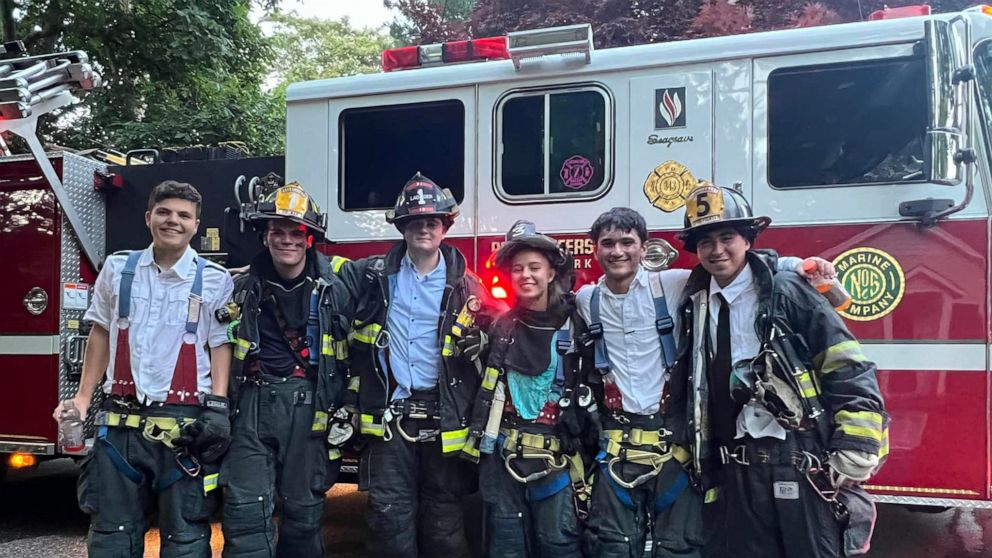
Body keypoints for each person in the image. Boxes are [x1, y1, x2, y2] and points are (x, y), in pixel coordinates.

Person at [572, 206, 833, 558]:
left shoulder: (673, 284)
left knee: (678, 547)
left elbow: (741, 270)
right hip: (617, 446)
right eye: (607, 243)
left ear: (643, 247)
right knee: (612, 547)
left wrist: (795, 266)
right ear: (595, 249)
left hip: (673, 445)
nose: (617, 251)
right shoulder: (587, 300)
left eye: (626, 242)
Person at [672, 182, 888, 558]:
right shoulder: (697, 302)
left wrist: (857, 443)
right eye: (705, 242)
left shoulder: (787, 290)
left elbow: (845, 361)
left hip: (800, 465)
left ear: (748, 239)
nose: (717, 250)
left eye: (727, 237)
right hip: (735, 469)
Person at [55, 180, 234, 557]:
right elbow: (101, 333)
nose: (174, 221)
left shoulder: (216, 279)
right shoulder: (119, 269)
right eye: (165, 212)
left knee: (185, 539)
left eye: (184, 215)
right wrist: (83, 399)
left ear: (196, 225)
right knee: (111, 537)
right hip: (120, 423)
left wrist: (218, 405)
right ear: (148, 216)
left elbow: (221, 345)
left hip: (183, 427)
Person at [337, 172, 503, 558]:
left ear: (445, 226)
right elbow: (323, 280)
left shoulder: (469, 287)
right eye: (414, 222)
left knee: (444, 521)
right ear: (402, 227)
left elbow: (499, 344)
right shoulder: (375, 276)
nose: (423, 229)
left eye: (432, 222)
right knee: (388, 518)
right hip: (392, 417)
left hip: (444, 417)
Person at [220, 181, 353, 558]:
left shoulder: (339, 283)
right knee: (246, 514)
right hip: (251, 407)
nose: (287, 240)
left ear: (309, 238)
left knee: (303, 514)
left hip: (310, 409)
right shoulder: (239, 287)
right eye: (277, 231)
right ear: (264, 236)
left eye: (297, 232)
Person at [467, 220, 586, 557]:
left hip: (559, 460)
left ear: (552, 273)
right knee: (507, 545)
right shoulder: (499, 325)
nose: (525, 275)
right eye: (517, 269)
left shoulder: (577, 323)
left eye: (535, 267)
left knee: (558, 545)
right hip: (503, 455)